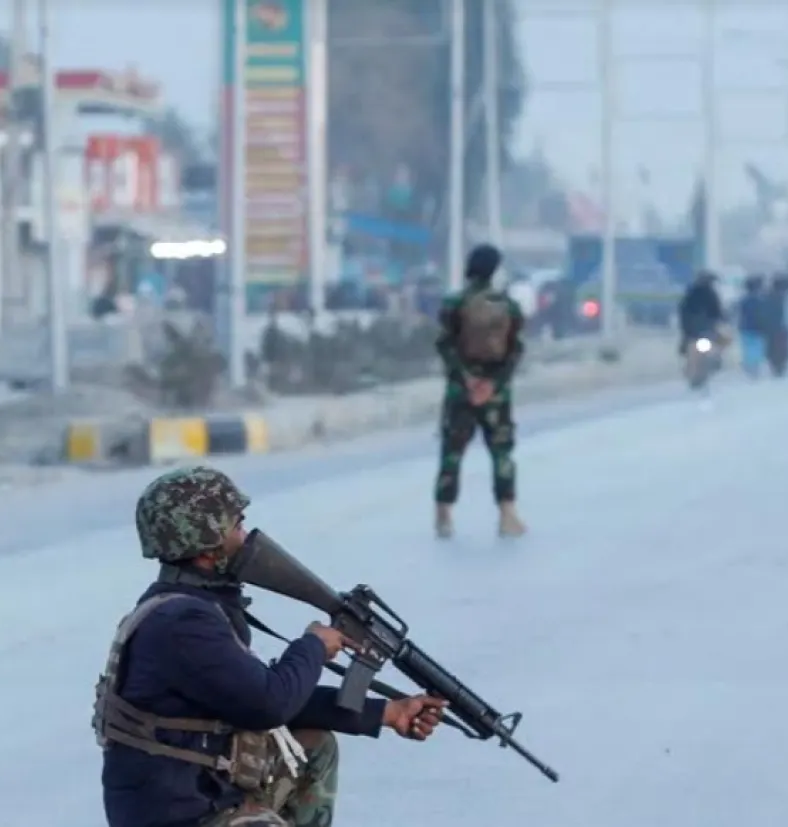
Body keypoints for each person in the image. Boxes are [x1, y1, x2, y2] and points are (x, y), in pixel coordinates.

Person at [98, 467, 448, 827]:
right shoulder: (182, 623)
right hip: (177, 815)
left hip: (198, 794)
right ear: (207, 542)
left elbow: (267, 697)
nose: (245, 535)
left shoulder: (190, 608)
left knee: (314, 745)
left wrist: (388, 713)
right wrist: (313, 646)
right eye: (237, 525)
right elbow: (270, 704)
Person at [433, 244, 526, 538]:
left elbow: (445, 344)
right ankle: (507, 515)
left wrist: (467, 379)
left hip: (460, 390)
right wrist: (493, 383)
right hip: (497, 393)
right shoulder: (509, 306)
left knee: (452, 452)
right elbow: (515, 349)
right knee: (501, 452)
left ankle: (443, 515)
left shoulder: (455, 303)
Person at [677, 269, 725, 355]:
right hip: (694, 330)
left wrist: (721, 321)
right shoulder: (693, 293)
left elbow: (717, 311)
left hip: (707, 329)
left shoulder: (711, 294)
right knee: (689, 347)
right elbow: (684, 312)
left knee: (721, 342)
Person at [735, 275, 769, 378]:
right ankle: (754, 367)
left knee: (747, 348)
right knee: (757, 349)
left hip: (745, 328)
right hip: (758, 328)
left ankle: (749, 366)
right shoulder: (761, 301)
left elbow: (738, 314)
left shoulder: (743, 300)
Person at [765, 274, 788, 377]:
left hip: (771, 328)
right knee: (781, 349)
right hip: (781, 328)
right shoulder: (785, 298)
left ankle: (776, 367)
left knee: (773, 348)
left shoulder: (768, 296)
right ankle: (780, 367)